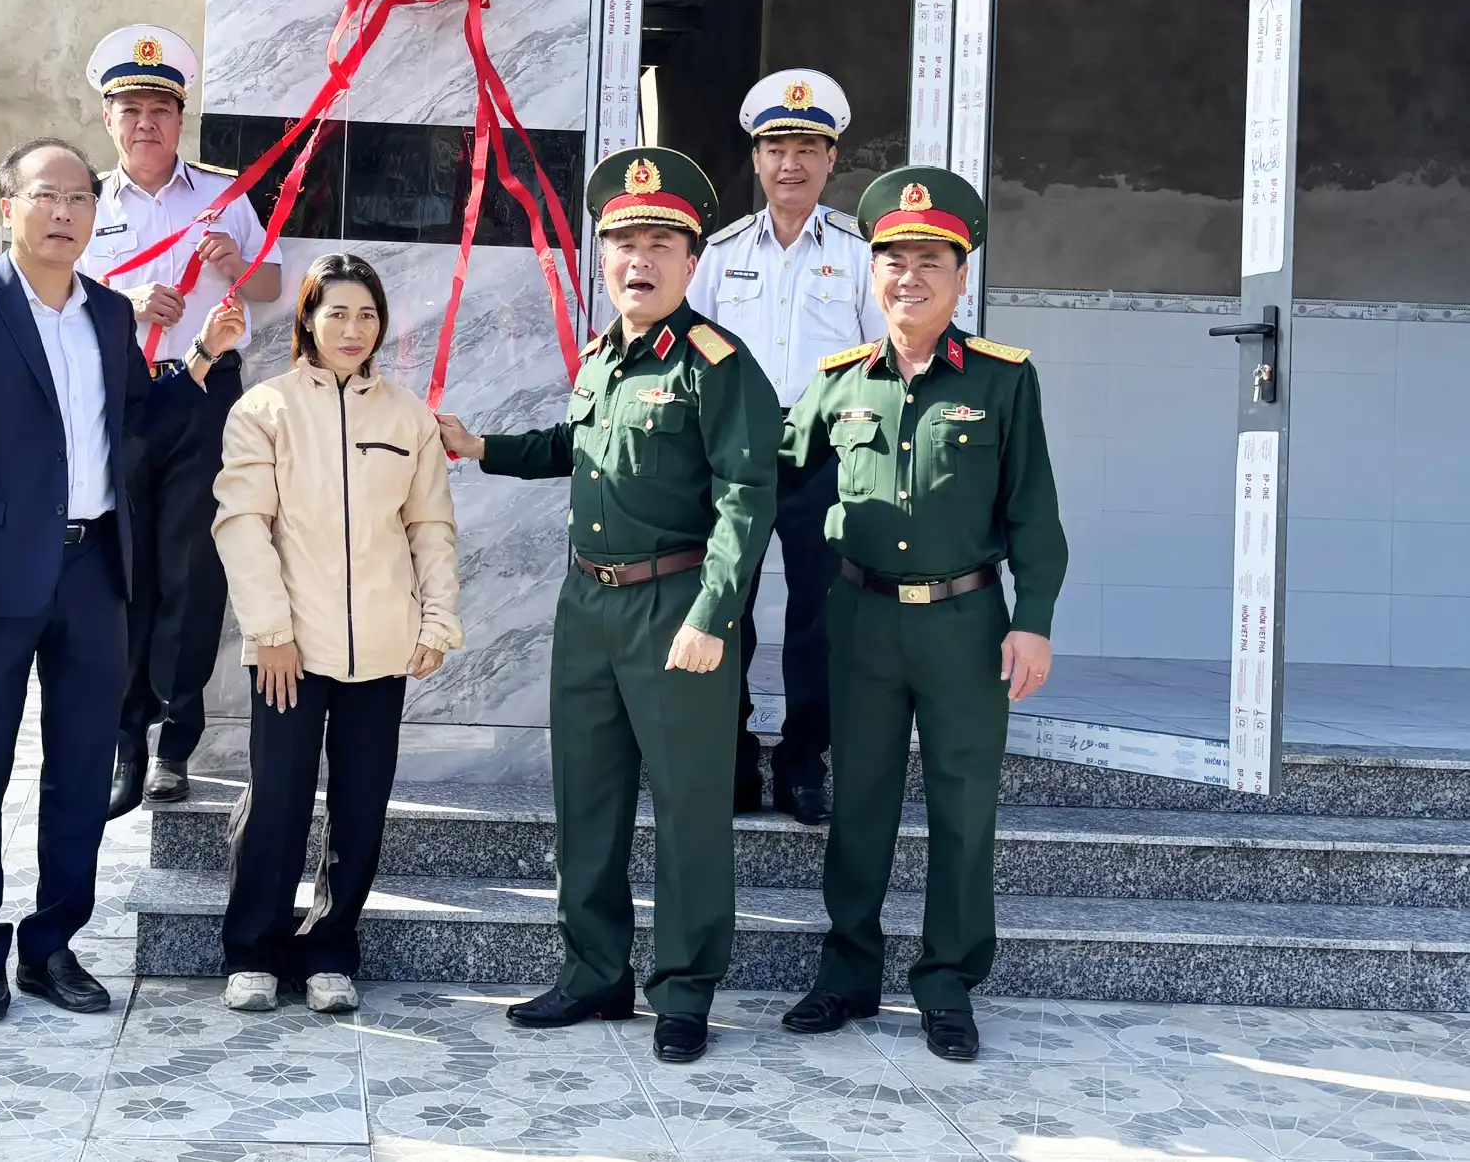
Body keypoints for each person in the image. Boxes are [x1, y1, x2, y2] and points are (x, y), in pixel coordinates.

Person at [438, 147, 776, 1065]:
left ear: (693, 258)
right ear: (604, 254)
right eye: (624, 240)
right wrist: (481, 449)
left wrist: (716, 614)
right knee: (586, 800)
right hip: (587, 606)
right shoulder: (601, 356)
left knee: (690, 805)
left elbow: (748, 498)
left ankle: (685, 989)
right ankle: (594, 973)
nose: (640, 258)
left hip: (676, 609)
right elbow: (573, 447)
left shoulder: (718, 364)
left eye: (661, 241)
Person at [0, 135, 246, 1024]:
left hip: (95, 572)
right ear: (8, 205)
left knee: (82, 767)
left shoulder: (104, 313)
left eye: (78, 201)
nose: (64, 214)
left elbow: (137, 420)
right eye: (46, 197)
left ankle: (52, 944)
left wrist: (201, 358)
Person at [777, 166, 1066, 1063]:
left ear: (961, 274)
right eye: (893, 259)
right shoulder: (836, 381)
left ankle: (947, 984)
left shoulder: (1003, 381)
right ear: (873, 275)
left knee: (962, 806)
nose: (910, 275)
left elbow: (1036, 516)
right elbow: (769, 473)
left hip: (964, 625)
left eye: (930, 259)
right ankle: (848, 974)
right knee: (858, 798)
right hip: (861, 623)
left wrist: (1036, 617)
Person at [211, 254, 463, 1015]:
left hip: (381, 648)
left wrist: (438, 619)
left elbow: (430, 527)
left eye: (367, 315)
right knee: (279, 802)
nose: (352, 329)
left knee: (360, 807)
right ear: (308, 321)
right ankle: (253, 949)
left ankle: (329, 948)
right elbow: (241, 524)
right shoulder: (265, 409)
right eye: (337, 314)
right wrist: (271, 633)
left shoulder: (407, 417)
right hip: (289, 646)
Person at [76, 24, 284, 819]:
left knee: (193, 567)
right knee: (126, 568)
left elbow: (269, 287)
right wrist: (122, 304)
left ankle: (175, 744)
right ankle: (125, 740)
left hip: (204, 396)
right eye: (130, 109)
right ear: (109, 120)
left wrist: (234, 266)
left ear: (181, 116)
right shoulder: (84, 201)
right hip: (122, 398)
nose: (145, 124)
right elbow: (55, 297)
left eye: (160, 109)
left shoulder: (224, 193)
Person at [688, 69, 880, 826]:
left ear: (832, 159)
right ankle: (730, 761)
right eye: (775, 147)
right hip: (737, 451)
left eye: (807, 147)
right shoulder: (720, 251)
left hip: (827, 453)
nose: (790, 163)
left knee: (820, 617)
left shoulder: (860, 253)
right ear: (757, 159)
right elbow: (691, 346)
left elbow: (878, 355)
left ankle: (804, 763)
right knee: (724, 604)